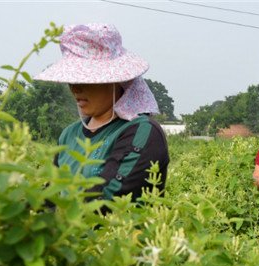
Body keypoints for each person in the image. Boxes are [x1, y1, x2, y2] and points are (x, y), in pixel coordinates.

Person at [35, 23, 169, 201]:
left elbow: (108, 197)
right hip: (62, 227)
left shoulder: (142, 132)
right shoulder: (69, 134)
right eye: (72, 79)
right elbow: (51, 193)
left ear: (117, 81)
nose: (75, 88)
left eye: (86, 80)